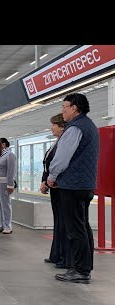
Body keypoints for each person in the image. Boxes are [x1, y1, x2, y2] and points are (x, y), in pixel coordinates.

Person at [48, 93, 99, 283]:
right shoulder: (90, 125)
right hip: (85, 184)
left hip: (72, 185)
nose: (62, 111)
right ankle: (84, 267)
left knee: (75, 229)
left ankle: (80, 270)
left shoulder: (74, 128)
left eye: (64, 107)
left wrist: (52, 176)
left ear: (74, 108)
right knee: (83, 226)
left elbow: (61, 158)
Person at [40, 114, 70, 269]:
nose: (51, 128)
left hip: (60, 186)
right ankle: (56, 254)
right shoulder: (56, 143)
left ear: (62, 127)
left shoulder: (64, 143)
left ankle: (63, 256)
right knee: (58, 220)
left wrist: (50, 179)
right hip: (53, 186)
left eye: (53, 125)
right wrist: (44, 180)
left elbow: (59, 164)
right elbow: (48, 164)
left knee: (63, 222)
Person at [0, 137, 16, 234]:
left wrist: (10, 185)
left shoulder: (10, 155)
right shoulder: (0, 155)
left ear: (3, 144)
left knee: (5, 204)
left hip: (5, 183)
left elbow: (11, 171)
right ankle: (1, 224)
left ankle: (8, 226)